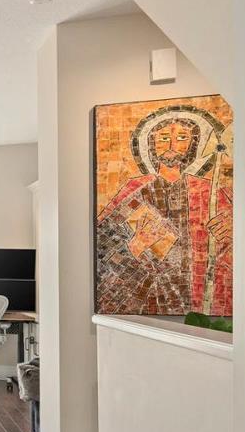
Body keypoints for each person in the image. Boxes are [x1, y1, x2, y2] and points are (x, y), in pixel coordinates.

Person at [96, 116, 232, 315]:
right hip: (143, 291)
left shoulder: (208, 192)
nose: (171, 144)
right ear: (151, 146)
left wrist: (232, 231)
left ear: (193, 146)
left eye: (182, 137)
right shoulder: (135, 189)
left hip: (191, 291)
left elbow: (232, 247)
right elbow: (103, 243)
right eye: (164, 138)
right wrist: (137, 244)